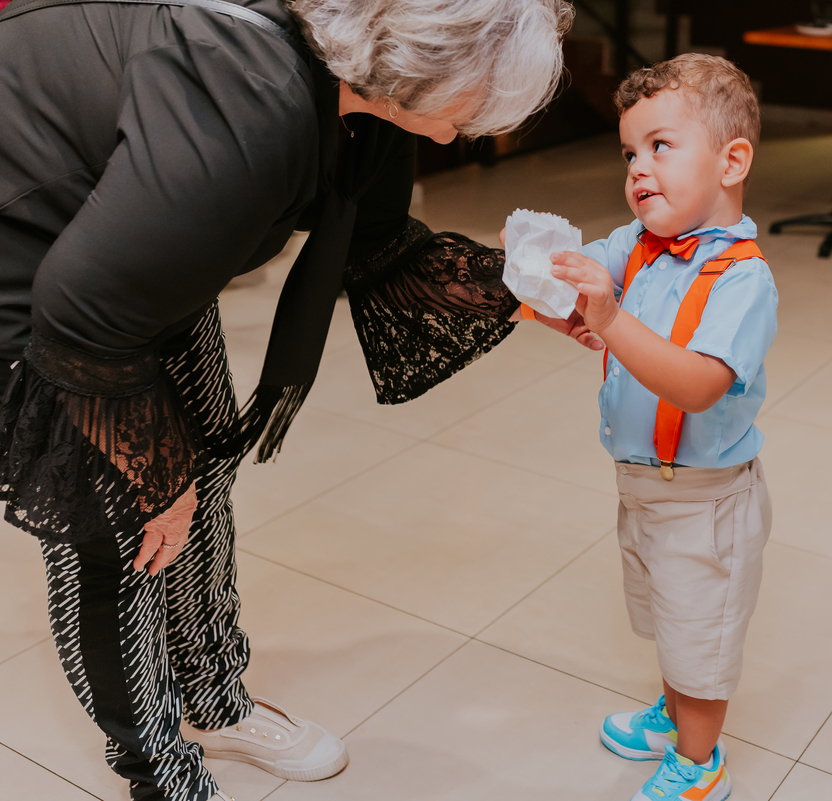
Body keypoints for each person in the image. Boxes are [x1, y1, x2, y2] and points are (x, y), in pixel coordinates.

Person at [0, 0, 593, 799]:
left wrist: (530, 296)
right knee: (127, 537)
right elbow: (82, 316)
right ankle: (161, 774)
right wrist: (156, 476)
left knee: (205, 472)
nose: (469, 130)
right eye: (476, 100)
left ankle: (214, 698)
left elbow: (383, 248)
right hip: (42, 280)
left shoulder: (367, 93)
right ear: (423, 62)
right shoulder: (250, 98)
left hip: (129, 267)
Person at [548, 54, 777, 801]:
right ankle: (675, 706)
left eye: (661, 147)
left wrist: (612, 320)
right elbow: (571, 282)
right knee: (667, 612)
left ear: (731, 159)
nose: (639, 169)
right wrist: (564, 299)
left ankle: (700, 758)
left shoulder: (743, 279)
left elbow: (701, 383)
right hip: (642, 485)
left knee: (700, 631)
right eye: (629, 153)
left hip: (706, 501)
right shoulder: (635, 245)